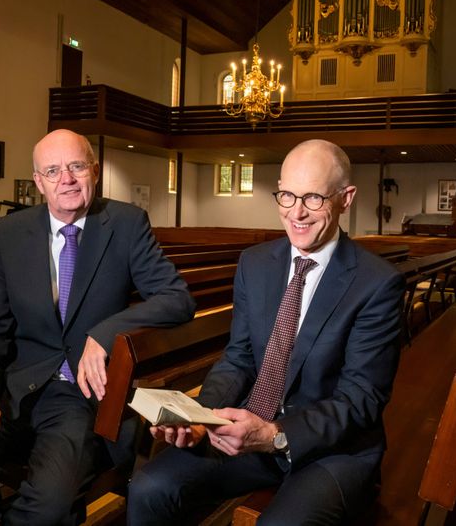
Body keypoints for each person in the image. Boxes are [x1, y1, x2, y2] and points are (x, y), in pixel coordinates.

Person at [127, 139, 405, 525]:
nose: (297, 213)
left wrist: (277, 434)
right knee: (149, 488)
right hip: (248, 433)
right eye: (287, 195)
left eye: (313, 198)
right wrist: (200, 416)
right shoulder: (255, 264)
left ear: (346, 198)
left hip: (330, 452)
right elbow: (239, 357)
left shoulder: (376, 283)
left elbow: (361, 398)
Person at [0, 129, 195, 526]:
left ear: (94, 169)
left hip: (79, 397)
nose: (66, 180)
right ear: (38, 182)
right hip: (13, 390)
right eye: (52, 171)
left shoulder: (124, 224)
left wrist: (104, 333)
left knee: (49, 508)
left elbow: (177, 298)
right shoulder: (8, 235)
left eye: (75, 167)